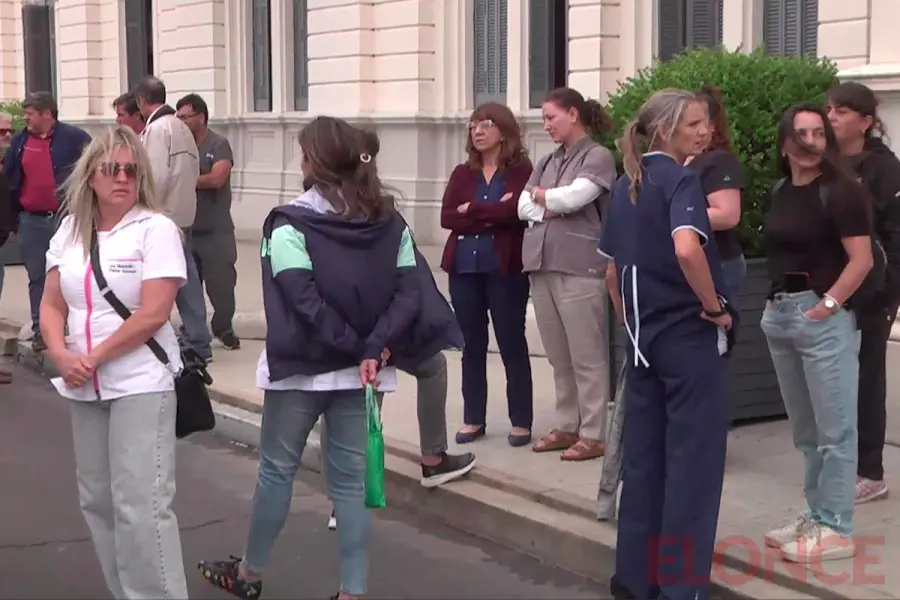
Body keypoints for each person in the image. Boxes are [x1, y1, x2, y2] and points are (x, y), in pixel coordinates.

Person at [198, 116, 458, 600]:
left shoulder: (290, 222)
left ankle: (250, 575)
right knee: (352, 482)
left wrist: (354, 346)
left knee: (277, 469)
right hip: (365, 371)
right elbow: (409, 294)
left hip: (303, 368)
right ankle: (352, 592)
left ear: (311, 162)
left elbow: (302, 301)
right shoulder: (390, 221)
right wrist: (373, 347)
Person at [39, 126, 189, 598]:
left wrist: (93, 357)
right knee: (98, 503)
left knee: (141, 505)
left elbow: (154, 313)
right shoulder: (69, 231)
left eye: (130, 169)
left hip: (140, 382)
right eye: (111, 169)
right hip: (84, 384)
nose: (121, 177)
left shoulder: (156, 229)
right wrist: (61, 354)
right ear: (91, 177)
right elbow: (51, 304)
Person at [599, 88, 735, 600]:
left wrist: (631, 324)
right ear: (665, 129)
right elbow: (686, 247)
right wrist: (715, 307)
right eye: (694, 124)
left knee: (645, 467)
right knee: (692, 474)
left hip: (642, 343)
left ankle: (635, 581)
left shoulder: (624, 185)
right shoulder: (681, 180)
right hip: (687, 338)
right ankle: (681, 589)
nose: (705, 131)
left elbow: (612, 272)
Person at [325, 128, 472, 531]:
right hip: (386, 325)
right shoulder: (383, 214)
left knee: (375, 391)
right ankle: (432, 458)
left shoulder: (325, 211)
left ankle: (348, 494)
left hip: (362, 326)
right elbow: (407, 284)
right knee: (396, 378)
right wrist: (381, 341)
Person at [761, 103, 874, 562]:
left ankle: (837, 527)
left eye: (819, 133)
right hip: (781, 315)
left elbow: (861, 260)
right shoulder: (779, 190)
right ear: (785, 142)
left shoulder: (841, 191)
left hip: (820, 316)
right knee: (807, 432)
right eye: (801, 133)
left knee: (836, 429)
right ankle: (816, 514)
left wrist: (828, 305)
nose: (811, 142)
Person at [518, 87, 616, 461]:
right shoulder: (547, 160)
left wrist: (545, 198)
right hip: (542, 263)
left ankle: (593, 432)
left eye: (550, 117)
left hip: (580, 265)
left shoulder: (598, 156)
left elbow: (575, 198)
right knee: (559, 354)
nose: (545, 125)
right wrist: (548, 201)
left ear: (573, 114)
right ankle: (566, 425)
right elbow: (522, 205)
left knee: (586, 354)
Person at [440, 101, 534, 447]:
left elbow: (517, 212)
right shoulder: (462, 173)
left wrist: (475, 210)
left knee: (511, 341)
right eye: (473, 125)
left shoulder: (522, 171)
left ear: (503, 131)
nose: (477, 131)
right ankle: (473, 419)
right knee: (471, 345)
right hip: (465, 268)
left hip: (505, 268)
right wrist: (492, 212)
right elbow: (448, 217)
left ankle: (521, 421)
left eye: (485, 125)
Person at [826, 81, 900, 505]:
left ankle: (870, 473)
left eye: (842, 111)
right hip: (834, 287)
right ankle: (842, 463)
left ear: (866, 122)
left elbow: (894, 234)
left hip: (873, 291)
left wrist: (886, 287)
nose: (832, 116)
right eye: (830, 109)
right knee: (834, 379)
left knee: (867, 377)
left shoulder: (884, 169)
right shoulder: (828, 163)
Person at [2, 92, 91, 352]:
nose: (26, 118)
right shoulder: (20, 141)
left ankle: (75, 327)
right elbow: (9, 179)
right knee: (38, 276)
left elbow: (93, 168)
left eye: (30, 113)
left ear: (46, 113)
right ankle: (43, 331)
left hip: (68, 219)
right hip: (32, 220)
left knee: (73, 273)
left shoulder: (75, 138)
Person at [134, 76, 213, 361]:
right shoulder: (181, 126)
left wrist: (143, 210)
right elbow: (191, 173)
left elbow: (155, 177)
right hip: (182, 213)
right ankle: (197, 337)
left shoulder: (157, 129)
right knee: (186, 278)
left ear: (142, 101)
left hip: (163, 215)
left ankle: (196, 340)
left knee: (175, 281)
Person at [175, 93, 241, 350]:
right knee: (188, 289)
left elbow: (217, 179)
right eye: (177, 117)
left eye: (185, 117)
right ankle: (192, 330)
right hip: (187, 230)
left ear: (200, 117)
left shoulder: (218, 144)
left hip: (217, 230)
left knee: (222, 286)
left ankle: (223, 327)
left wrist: (184, 179)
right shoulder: (179, 146)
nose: (180, 122)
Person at [688, 84, 747, 296]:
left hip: (718, 263)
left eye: (698, 121)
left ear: (712, 126)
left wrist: (672, 218)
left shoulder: (718, 160)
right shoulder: (680, 161)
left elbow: (727, 215)